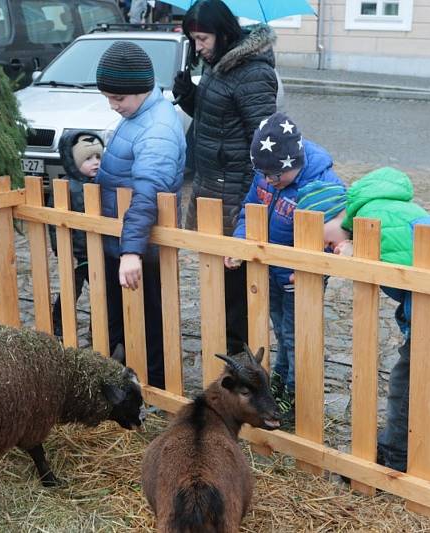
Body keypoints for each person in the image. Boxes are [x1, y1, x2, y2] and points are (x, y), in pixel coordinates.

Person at [299, 167, 430, 487]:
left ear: (334, 216)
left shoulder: (376, 213)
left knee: (411, 384)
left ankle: (412, 466)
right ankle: (400, 451)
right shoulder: (378, 208)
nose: (325, 245)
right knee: (414, 382)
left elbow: (400, 262)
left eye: (324, 236)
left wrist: (359, 252)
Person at [224, 112, 346, 424]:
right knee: (281, 331)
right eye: (262, 175)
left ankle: (296, 394)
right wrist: (241, 242)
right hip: (272, 272)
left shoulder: (322, 185)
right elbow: (250, 212)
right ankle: (279, 379)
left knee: (297, 336)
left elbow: (333, 235)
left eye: (275, 176)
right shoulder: (267, 175)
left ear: (296, 161)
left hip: (298, 278)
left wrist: (311, 269)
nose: (268, 181)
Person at [173, 0, 279, 355]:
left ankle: (241, 368)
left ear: (223, 32)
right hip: (212, 187)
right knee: (218, 283)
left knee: (236, 292)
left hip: (236, 194)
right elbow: (217, 122)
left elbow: (265, 141)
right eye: (193, 38)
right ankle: (228, 358)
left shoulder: (252, 72)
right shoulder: (219, 65)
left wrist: (254, 201)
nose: (198, 45)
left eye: (202, 37)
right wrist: (189, 95)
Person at [95, 41, 186, 389]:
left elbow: (148, 192)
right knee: (124, 316)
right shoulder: (139, 115)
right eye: (108, 97)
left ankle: (155, 386)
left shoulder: (158, 128)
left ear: (141, 89)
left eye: (118, 98)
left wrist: (130, 250)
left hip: (141, 248)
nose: (112, 105)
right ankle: (127, 377)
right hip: (124, 239)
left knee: (149, 320)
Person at [48, 131, 103, 340]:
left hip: (98, 249)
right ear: (72, 160)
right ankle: (59, 323)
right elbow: (55, 222)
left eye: (98, 157)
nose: (95, 162)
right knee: (71, 290)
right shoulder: (66, 187)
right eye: (88, 158)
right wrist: (59, 248)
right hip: (77, 252)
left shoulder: (100, 183)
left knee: (101, 292)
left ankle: (96, 327)